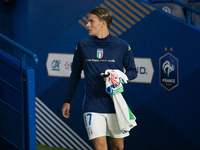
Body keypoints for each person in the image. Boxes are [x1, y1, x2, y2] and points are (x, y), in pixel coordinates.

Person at [62, 7, 137, 150]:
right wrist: (67, 100)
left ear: (103, 23)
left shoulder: (122, 46)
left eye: (91, 21)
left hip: (115, 105)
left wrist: (120, 78)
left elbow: (133, 71)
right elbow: (75, 74)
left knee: (118, 147)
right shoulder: (83, 45)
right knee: (100, 147)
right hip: (92, 105)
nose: (87, 25)